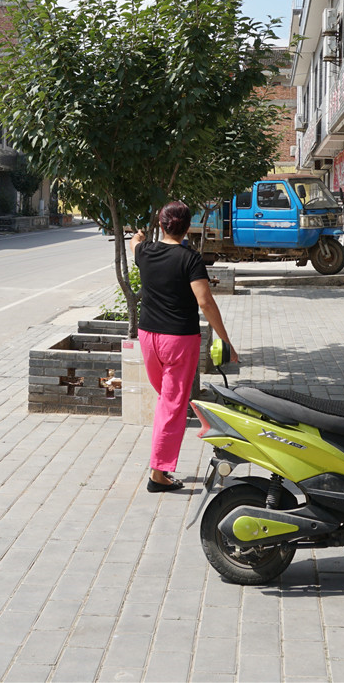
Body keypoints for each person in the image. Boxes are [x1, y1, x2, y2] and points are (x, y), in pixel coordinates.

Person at [132, 201, 237, 492]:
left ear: (162, 225)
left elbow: (134, 242)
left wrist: (141, 234)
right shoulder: (190, 259)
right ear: (187, 227)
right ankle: (158, 474)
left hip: (149, 338)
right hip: (179, 340)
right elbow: (204, 301)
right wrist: (226, 340)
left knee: (167, 402)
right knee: (172, 406)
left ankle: (159, 466)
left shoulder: (145, 252)